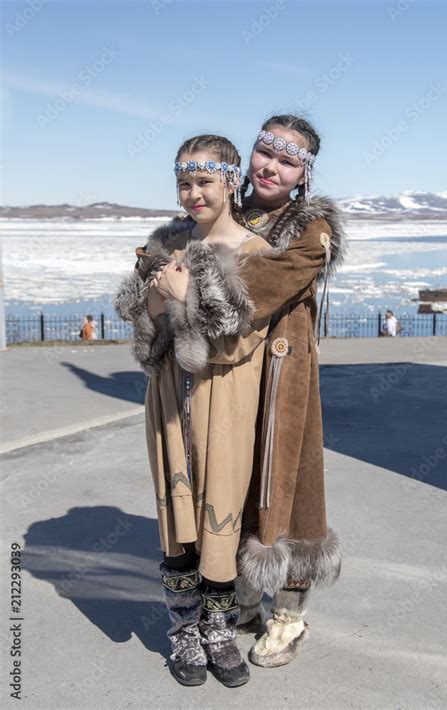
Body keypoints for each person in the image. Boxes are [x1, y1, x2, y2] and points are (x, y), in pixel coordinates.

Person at [150, 114, 348, 669]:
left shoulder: (310, 232)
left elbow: (257, 290)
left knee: (286, 488)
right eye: (266, 153)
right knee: (229, 486)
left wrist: (187, 280)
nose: (271, 167)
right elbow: (170, 254)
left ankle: (288, 615)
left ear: (303, 174)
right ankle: (235, 600)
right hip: (230, 373)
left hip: (281, 382)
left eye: (287, 161)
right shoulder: (231, 214)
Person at [115, 135, 272, 687]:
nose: (193, 193)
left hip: (224, 401)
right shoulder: (166, 243)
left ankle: (220, 629)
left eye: (204, 181)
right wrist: (157, 301)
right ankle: (183, 630)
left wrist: (182, 300)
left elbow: (238, 343)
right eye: (184, 182)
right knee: (177, 523)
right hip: (167, 401)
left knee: (220, 512)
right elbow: (142, 332)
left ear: (231, 180)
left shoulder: (254, 253)